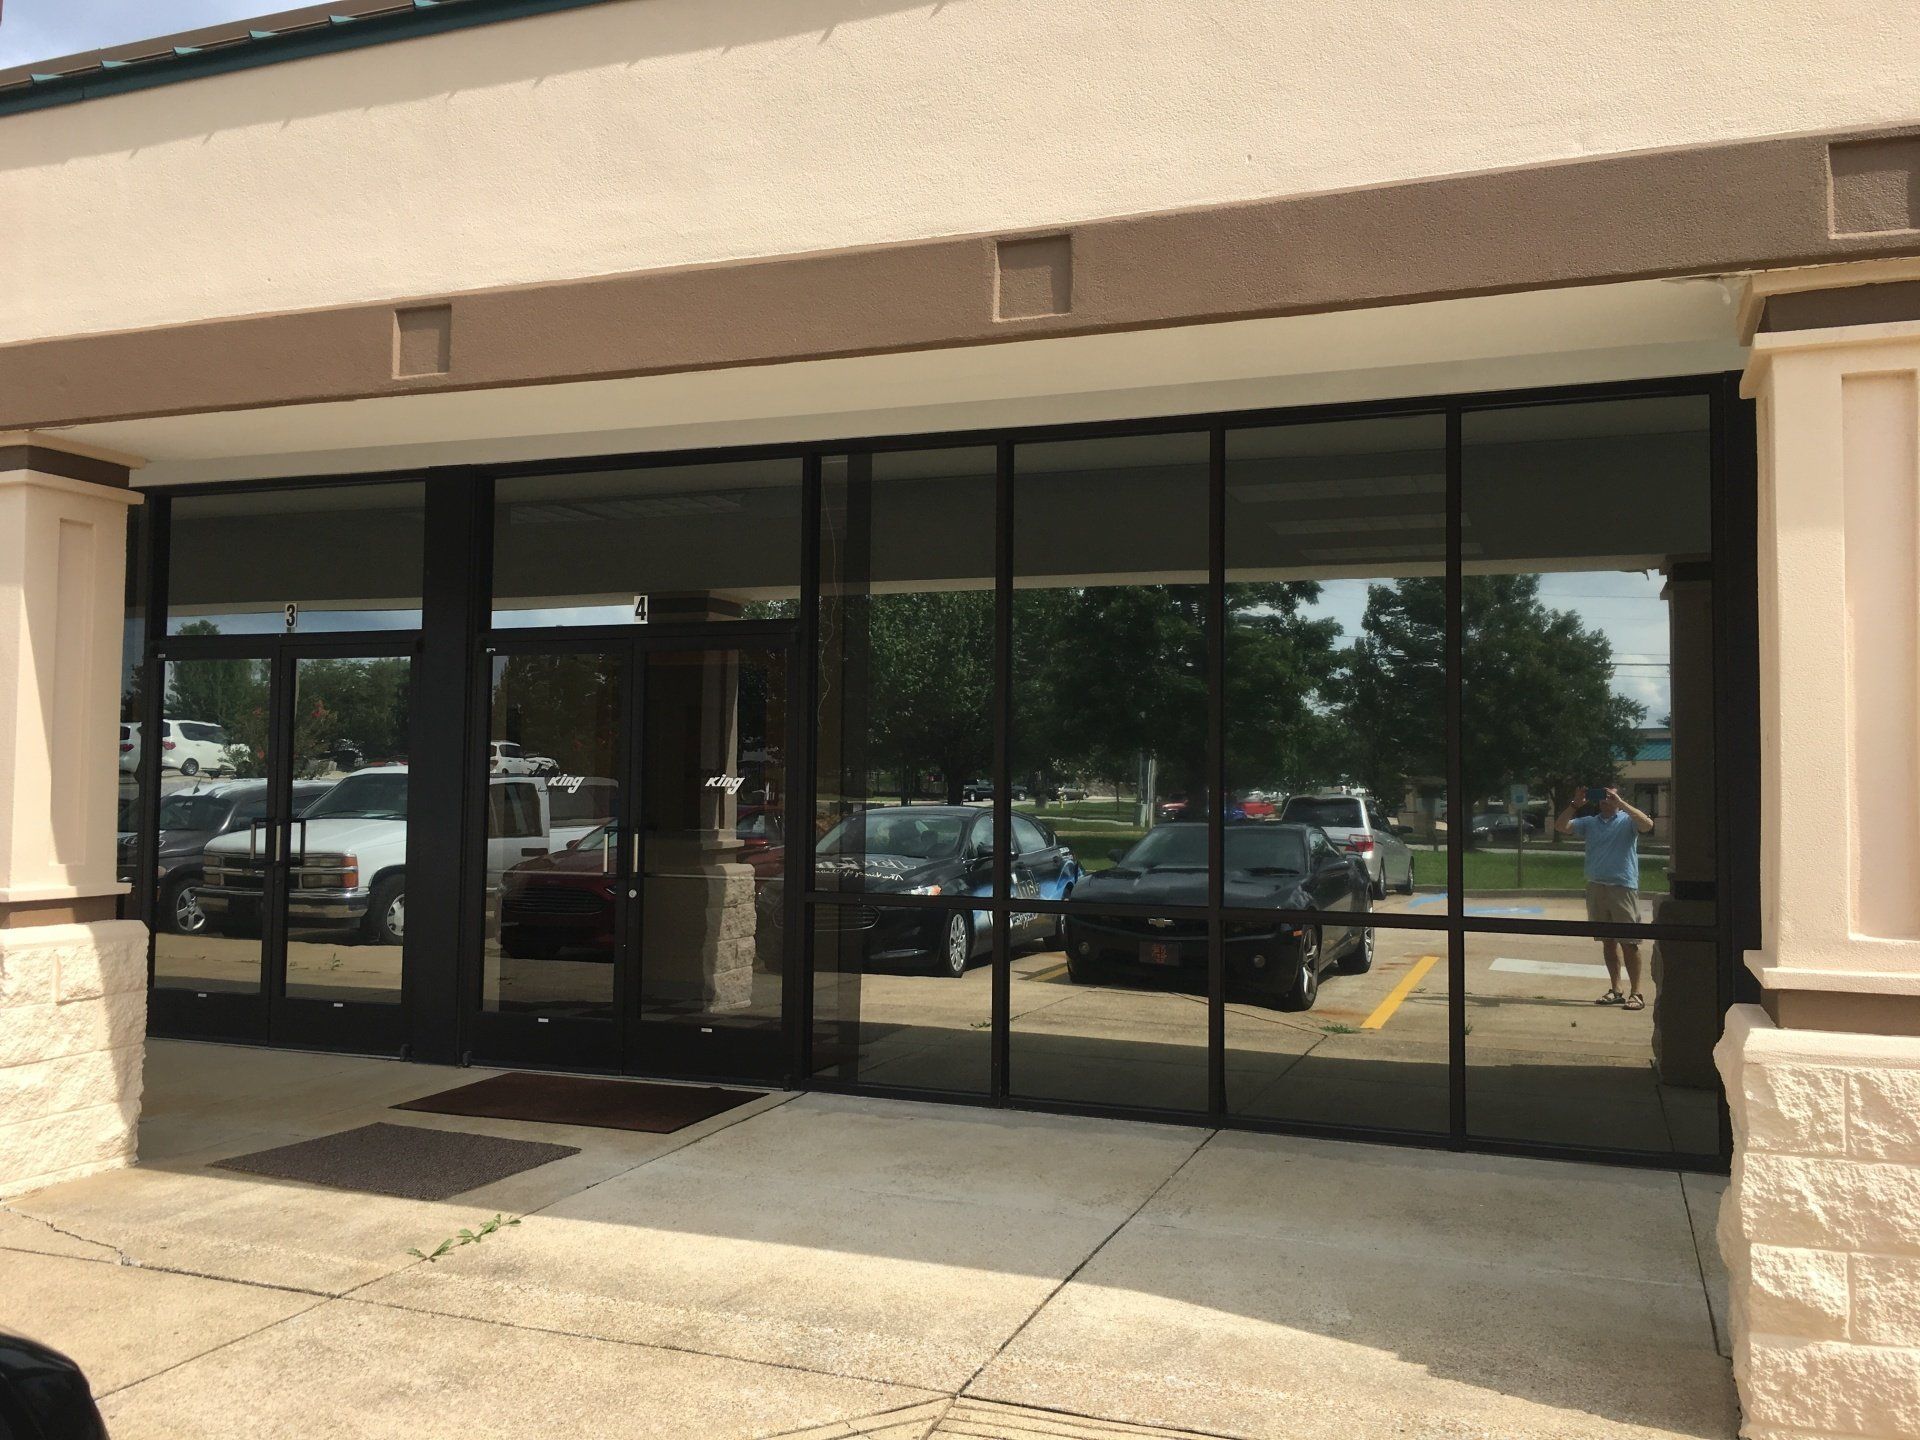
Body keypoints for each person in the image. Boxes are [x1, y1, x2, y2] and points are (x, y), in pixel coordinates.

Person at [1555, 784, 1656, 1011]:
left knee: (1629, 942)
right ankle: (1616, 990)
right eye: (1601, 796)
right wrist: (1574, 805)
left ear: (1618, 797)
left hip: (1623, 887)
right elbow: (1561, 826)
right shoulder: (1590, 822)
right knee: (1608, 941)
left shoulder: (1627, 821)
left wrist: (1621, 803)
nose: (1605, 800)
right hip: (1596, 887)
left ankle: (1636, 993)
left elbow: (1647, 825)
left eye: (1609, 796)